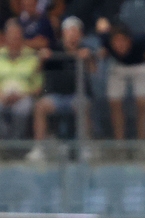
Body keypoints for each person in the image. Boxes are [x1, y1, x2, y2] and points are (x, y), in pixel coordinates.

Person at [27, 15, 93, 161]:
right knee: (40, 106)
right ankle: (39, 148)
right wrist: (41, 59)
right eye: (69, 32)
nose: (72, 36)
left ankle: (84, 147)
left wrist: (87, 58)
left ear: (80, 35)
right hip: (56, 96)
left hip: (77, 96)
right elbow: (37, 71)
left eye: (75, 32)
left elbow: (94, 70)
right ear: (63, 34)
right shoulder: (54, 49)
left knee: (83, 105)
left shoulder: (86, 50)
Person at [96, 17, 145, 140]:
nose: (119, 45)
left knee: (142, 103)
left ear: (129, 40)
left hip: (140, 65)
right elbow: (101, 23)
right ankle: (119, 141)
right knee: (114, 102)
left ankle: (142, 140)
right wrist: (104, 48)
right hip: (118, 66)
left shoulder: (140, 41)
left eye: (122, 41)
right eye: (116, 42)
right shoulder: (106, 40)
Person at [0, 19, 41, 140]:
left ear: (22, 38)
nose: (14, 41)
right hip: (2, 96)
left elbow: (38, 87)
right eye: (11, 37)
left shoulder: (32, 56)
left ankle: (15, 143)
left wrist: (22, 95)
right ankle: (4, 142)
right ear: (6, 38)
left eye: (17, 37)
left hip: (24, 96)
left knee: (21, 110)